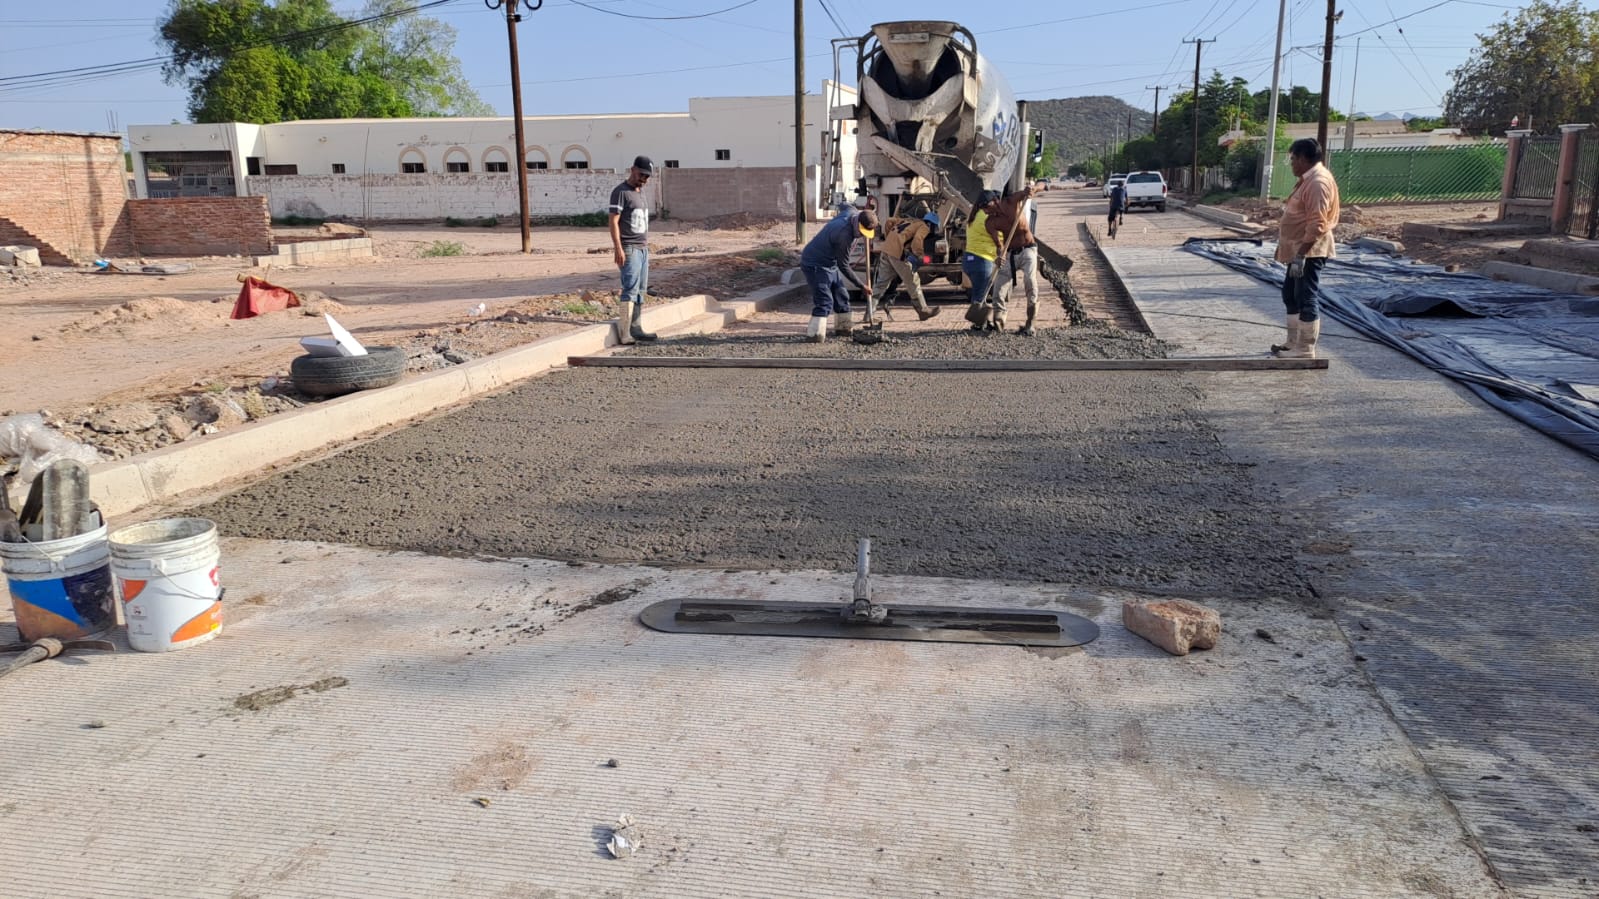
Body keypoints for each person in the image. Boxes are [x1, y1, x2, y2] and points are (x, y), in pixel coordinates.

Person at [1273, 138, 1341, 359]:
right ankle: (1293, 343)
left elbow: (1317, 223)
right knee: (1290, 294)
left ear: (1303, 158)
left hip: (1310, 251)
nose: (1291, 163)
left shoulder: (1318, 183)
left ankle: (1305, 348)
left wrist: (1301, 255)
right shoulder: (1307, 180)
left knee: (1305, 296)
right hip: (1297, 250)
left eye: (1293, 159)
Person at [801, 207, 878, 341]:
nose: (862, 235)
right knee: (824, 301)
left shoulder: (852, 213)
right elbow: (844, 265)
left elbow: (845, 206)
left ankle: (844, 331)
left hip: (830, 263)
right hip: (815, 263)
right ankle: (815, 336)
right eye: (862, 231)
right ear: (858, 224)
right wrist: (861, 286)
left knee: (842, 296)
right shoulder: (844, 235)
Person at [607, 155, 657, 344]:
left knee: (640, 290)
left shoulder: (640, 193)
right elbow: (613, 221)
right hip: (629, 247)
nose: (644, 179)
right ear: (632, 170)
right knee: (630, 288)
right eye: (641, 175)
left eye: (647, 177)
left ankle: (636, 328)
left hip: (643, 248)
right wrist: (618, 248)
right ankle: (625, 332)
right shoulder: (620, 192)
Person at [985, 184, 1041, 335]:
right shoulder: (990, 222)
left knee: (1030, 281)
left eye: (985, 206)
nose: (984, 210)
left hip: (1028, 249)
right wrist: (1000, 256)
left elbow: (1040, 187)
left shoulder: (1011, 202)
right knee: (998, 290)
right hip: (1009, 254)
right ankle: (999, 323)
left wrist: (1031, 189)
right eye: (981, 208)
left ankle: (1030, 323)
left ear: (995, 201)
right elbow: (999, 244)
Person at [870, 211, 942, 322]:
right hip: (896, 253)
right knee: (913, 280)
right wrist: (919, 255)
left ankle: (869, 314)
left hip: (886, 250)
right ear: (932, 224)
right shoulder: (924, 227)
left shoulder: (909, 221)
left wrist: (890, 238)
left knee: (881, 283)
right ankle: (923, 311)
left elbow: (890, 221)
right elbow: (917, 240)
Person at [962, 190, 1007, 333]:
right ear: (989, 203)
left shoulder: (974, 215)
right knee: (980, 295)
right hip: (982, 261)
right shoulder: (986, 218)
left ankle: (982, 323)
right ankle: (978, 324)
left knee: (978, 292)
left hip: (969, 259)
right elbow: (1000, 235)